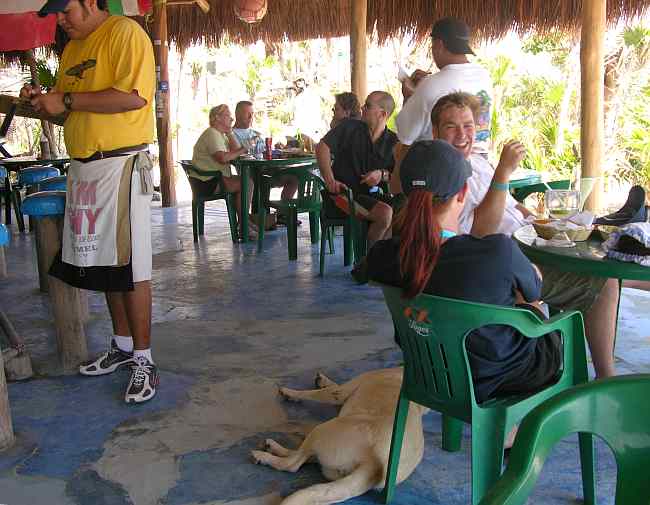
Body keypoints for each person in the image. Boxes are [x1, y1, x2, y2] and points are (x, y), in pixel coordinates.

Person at [430, 91, 619, 379]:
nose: (462, 134)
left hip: (520, 253)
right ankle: (605, 376)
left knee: (596, 252)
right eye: (451, 126)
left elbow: (509, 203)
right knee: (603, 283)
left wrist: (538, 219)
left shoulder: (477, 163)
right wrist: (504, 172)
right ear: (435, 132)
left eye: (468, 125)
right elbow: (480, 233)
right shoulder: (445, 173)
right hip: (499, 273)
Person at [23, 0, 157, 403]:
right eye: (56, 13)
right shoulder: (73, 49)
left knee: (131, 265)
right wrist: (48, 102)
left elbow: (133, 97)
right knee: (104, 263)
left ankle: (144, 358)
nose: (61, 19)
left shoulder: (124, 33)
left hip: (120, 164)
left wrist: (65, 101)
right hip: (84, 168)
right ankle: (121, 345)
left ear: (93, 1)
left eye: (67, 10)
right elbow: (74, 111)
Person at [367, 140, 562, 404]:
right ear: (463, 193)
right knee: (533, 303)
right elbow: (534, 292)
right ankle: (512, 427)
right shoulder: (497, 252)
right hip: (503, 376)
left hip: (431, 372)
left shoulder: (384, 255)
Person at [391, 16, 493, 195]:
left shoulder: (431, 85)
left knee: (400, 150)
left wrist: (409, 96)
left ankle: (399, 208)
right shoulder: (484, 76)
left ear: (438, 44)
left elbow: (405, 134)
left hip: (442, 175)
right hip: (481, 168)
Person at [316, 91, 398, 252]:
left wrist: (382, 174)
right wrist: (330, 180)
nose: (362, 108)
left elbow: (397, 176)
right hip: (342, 195)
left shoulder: (393, 142)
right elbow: (322, 147)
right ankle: (369, 262)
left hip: (372, 197)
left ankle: (382, 259)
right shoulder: (350, 127)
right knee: (385, 214)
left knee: (402, 213)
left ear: (382, 114)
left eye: (367, 106)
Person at [191, 104, 256, 239]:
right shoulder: (211, 134)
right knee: (246, 183)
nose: (231, 119)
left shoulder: (221, 134)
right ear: (217, 118)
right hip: (206, 183)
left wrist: (230, 132)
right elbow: (222, 158)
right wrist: (243, 149)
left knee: (246, 181)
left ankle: (245, 222)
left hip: (213, 178)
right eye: (228, 116)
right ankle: (244, 224)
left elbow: (237, 150)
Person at [231, 100, 298, 226]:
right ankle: (257, 219)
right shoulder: (231, 135)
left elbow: (265, 152)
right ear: (237, 114)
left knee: (293, 178)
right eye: (247, 114)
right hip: (250, 174)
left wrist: (278, 150)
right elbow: (237, 156)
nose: (251, 117)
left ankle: (281, 214)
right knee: (261, 182)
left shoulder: (254, 133)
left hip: (266, 170)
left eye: (252, 114)